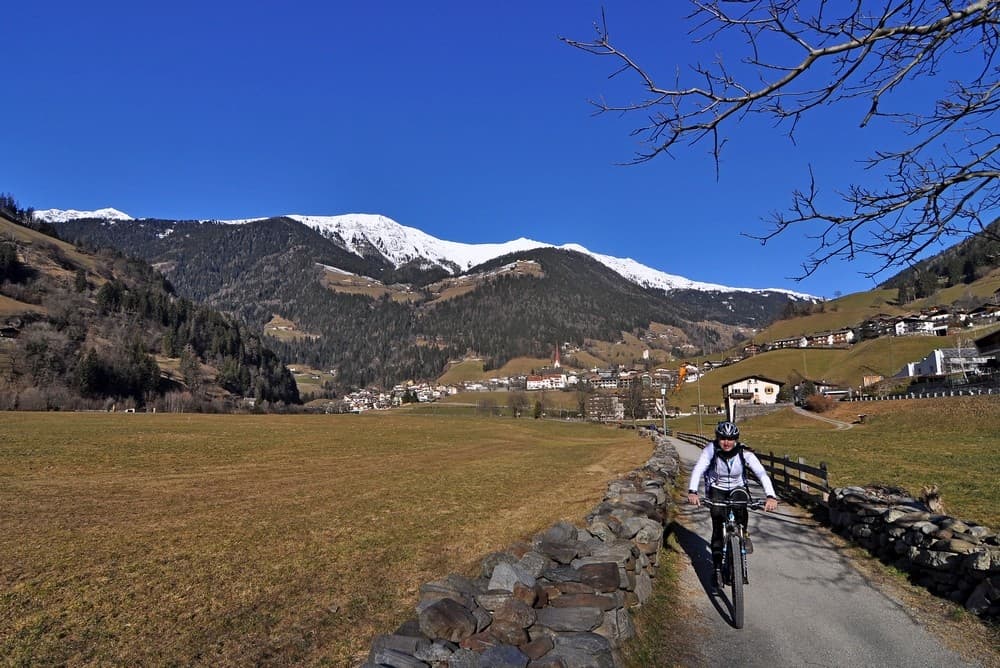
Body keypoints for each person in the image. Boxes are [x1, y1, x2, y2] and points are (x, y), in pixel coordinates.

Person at [687, 421, 778, 590]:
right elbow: (698, 469)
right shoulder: (711, 450)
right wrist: (692, 491)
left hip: (738, 487)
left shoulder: (745, 453)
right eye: (722, 438)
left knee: (741, 505)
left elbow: (761, 474)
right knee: (717, 524)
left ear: (736, 439)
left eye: (730, 439)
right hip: (717, 488)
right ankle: (717, 569)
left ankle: (744, 533)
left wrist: (771, 496)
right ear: (717, 438)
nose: (726, 442)